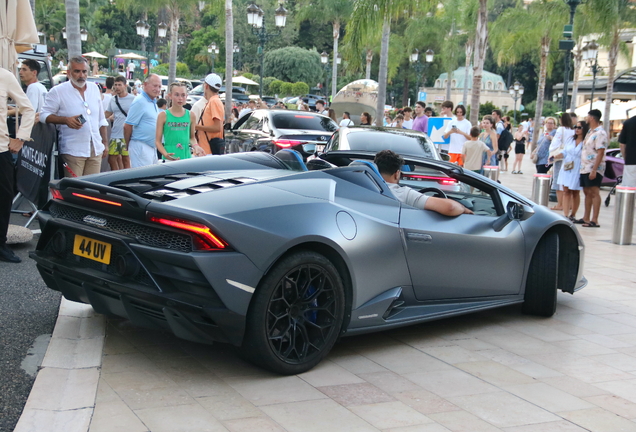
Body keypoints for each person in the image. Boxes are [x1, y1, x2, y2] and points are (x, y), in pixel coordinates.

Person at [41, 56, 108, 177]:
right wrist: (65, 120)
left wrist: (105, 143)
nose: (81, 75)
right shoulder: (57, 91)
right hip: (73, 150)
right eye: (77, 71)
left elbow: (101, 119)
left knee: (92, 189)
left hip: (95, 148)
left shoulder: (94, 88)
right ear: (69, 72)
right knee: (74, 190)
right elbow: (43, 115)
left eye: (84, 71)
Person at [0, 68, 35, 263]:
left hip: (1, 149)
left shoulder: (4, 76)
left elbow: (28, 108)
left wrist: (20, 138)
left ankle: (0, 244)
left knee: (4, 199)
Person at [374, 150, 472, 216]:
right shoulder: (403, 194)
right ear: (397, 174)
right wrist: (464, 209)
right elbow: (450, 208)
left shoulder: (363, 187)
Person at [155, 82, 204, 161]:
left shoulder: (191, 115)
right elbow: (158, 141)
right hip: (169, 158)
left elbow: (191, 137)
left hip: (186, 157)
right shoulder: (163, 115)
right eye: (177, 95)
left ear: (186, 96)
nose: (180, 98)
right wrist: (165, 154)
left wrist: (196, 147)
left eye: (183, 95)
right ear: (170, 96)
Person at [124, 73, 162, 168]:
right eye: (154, 86)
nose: (157, 89)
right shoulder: (140, 101)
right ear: (145, 85)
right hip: (141, 147)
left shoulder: (152, 101)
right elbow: (127, 126)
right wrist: (128, 145)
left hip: (151, 148)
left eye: (159, 86)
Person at [579, 109, 607, 228]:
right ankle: (586, 217)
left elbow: (600, 152)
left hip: (594, 167)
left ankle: (594, 219)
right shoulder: (590, 131)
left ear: (592, 118)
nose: (586, 118)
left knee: (594, 192)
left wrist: (595, 169)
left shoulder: (600, 133)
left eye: (587, 116)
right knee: (587, 191)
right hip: (585, 166)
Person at [556, 120, 587, 222]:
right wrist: (557, 156)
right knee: (566, 191)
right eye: (575, 127)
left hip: (578, 167)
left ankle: (573, 214)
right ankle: (565, 214)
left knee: (575, 191)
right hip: (567, 166)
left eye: (579, 127)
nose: (577, 129)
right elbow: (564, 152)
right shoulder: (570, 140)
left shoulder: (586, 142)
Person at [105, 76, 134, 170]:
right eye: (115, 85)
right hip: (115, 133)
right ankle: (116, 176)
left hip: (126, 134)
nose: (117, 87)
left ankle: (127, 179)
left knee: (126, 159)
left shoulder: (133, 99)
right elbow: (107, 113)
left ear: (125, 85)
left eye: (119, 85)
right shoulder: (113, 99)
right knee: (111, 159)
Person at [548, 113, 574, 211]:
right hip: (570, 158)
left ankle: (560, 204)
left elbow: (555, 143)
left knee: (558, 180)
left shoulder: (561, 129)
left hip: (560, 157)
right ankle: (569, 204)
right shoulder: (573, 130)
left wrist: (552, 153)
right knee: (568, 181)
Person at [195, 73, 225, 155]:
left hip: (208, 150)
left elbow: (217, 127)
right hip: (206, 150)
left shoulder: (214, 101)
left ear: (206, 86)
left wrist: (196, 126)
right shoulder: (213, 101)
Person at [618, 114, 636, 187]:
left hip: (631, 162)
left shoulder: (628, 123)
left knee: (630, 190)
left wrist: (626, 157)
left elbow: (622, 144)